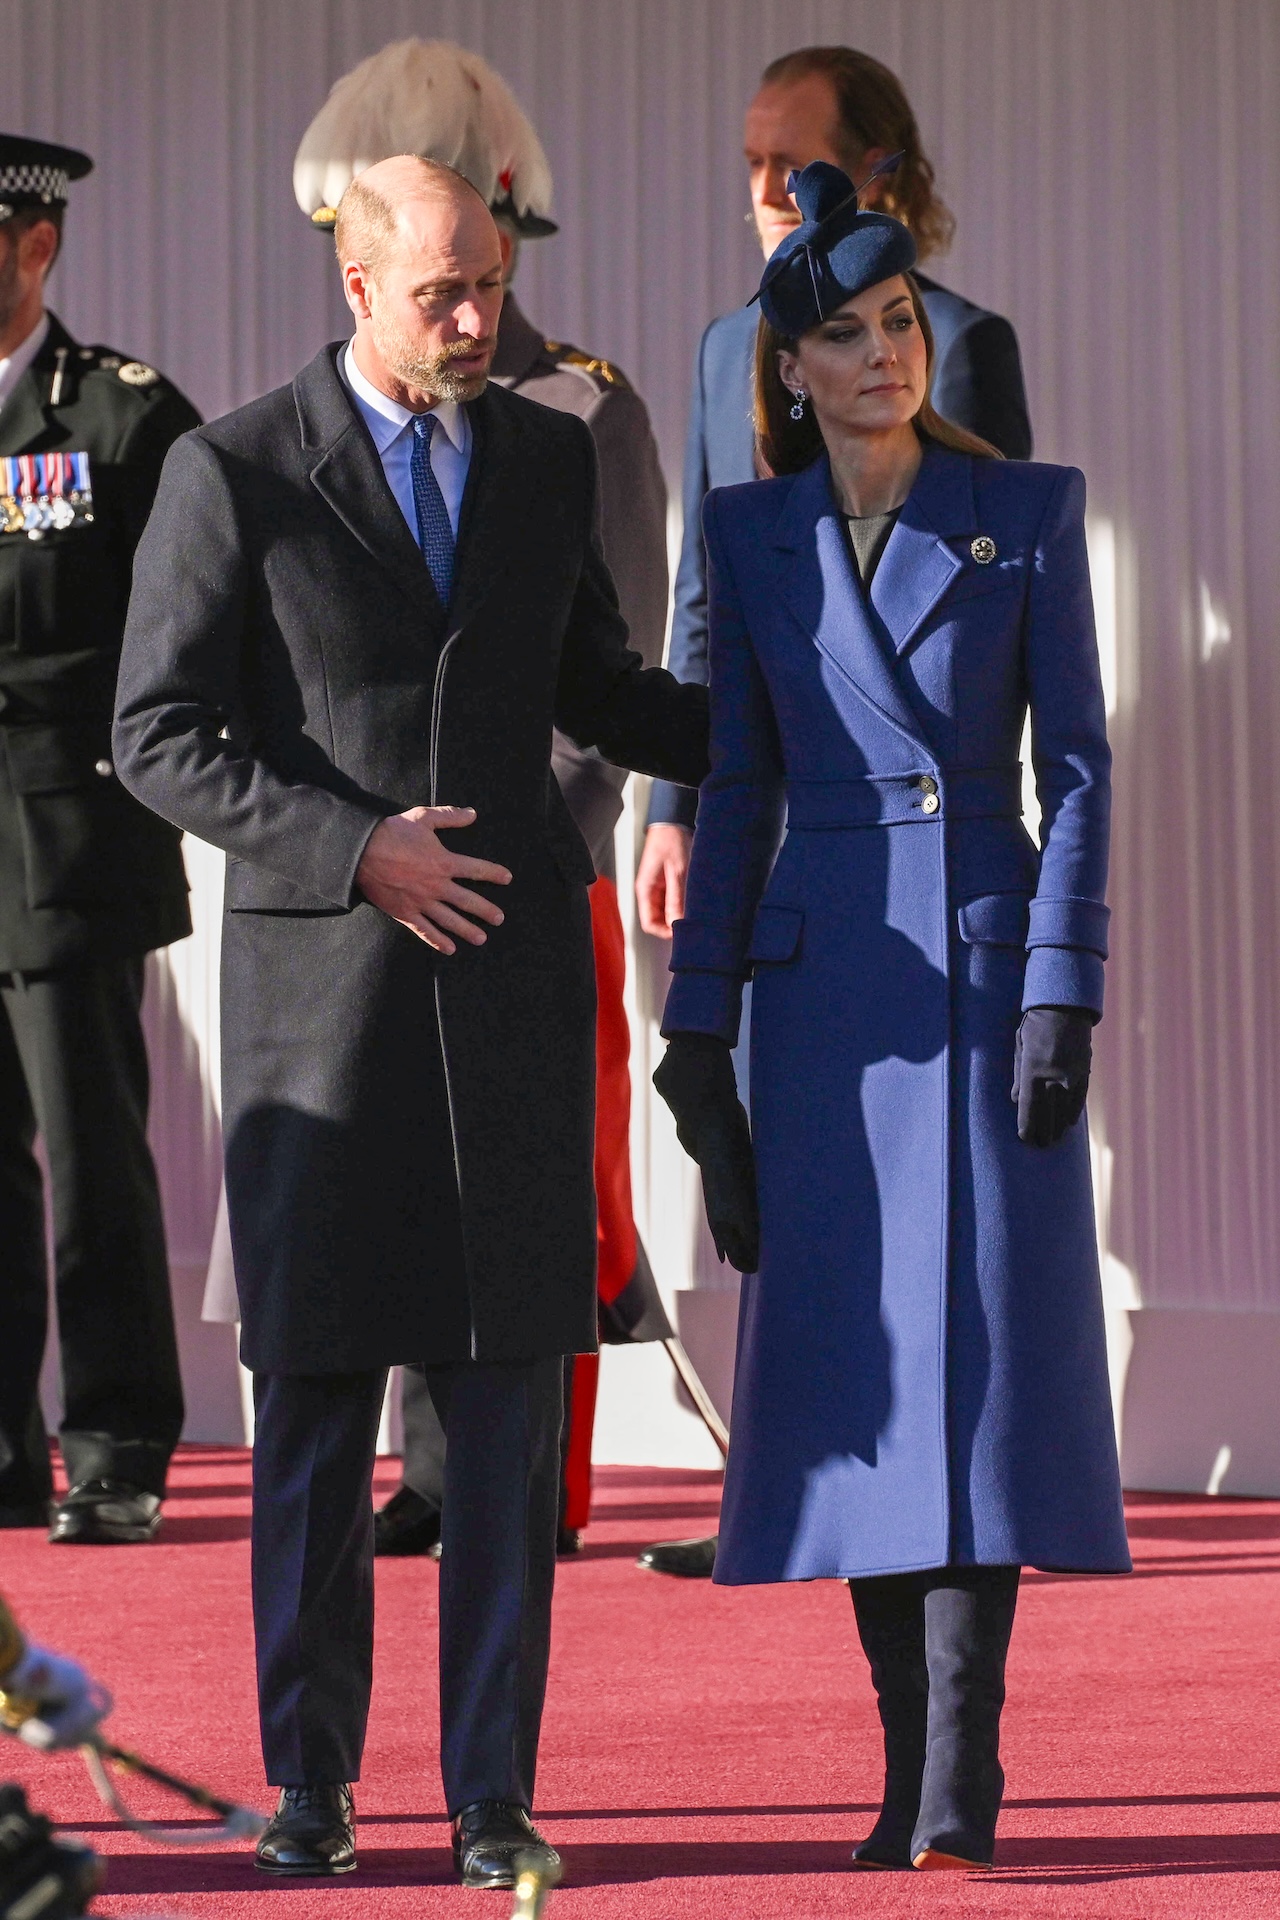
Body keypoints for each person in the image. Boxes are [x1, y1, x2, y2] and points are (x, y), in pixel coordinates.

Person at [113, 156, 707, 1891]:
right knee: (311, 1425)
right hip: (326, 1022)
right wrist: (350, 849)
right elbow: (157, 732)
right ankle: (313, 1791)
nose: (480, 318)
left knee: (507, 1434)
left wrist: (772, 720)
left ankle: (491, 1800)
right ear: (355, 284)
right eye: (445, 290)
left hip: (511, 1006)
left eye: (493, 283)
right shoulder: (230, 471)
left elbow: (593, 685)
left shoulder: (539, 455)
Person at [654, 162, 1130, 1871]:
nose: (882, 355)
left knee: (978, 1386)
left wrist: (1064, 986)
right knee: (861, 1380)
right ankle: (897, 1770)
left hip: (991, 979)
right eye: (844, 335)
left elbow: (1073, 768)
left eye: (903, 322)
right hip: (828, 1007)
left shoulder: (1028, 513)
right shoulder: (750, 533)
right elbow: (734, 782)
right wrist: (696, 1039)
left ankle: (961, 1778)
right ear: (789, 369)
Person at [638, 43, 1036, 1582]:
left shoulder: (963, 339)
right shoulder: (723, 343)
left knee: (929, 1191)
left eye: (785, 156)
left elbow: (982, 581)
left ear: (876, 171)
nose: (756, 186)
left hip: (921, 837)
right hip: (765, 819)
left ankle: (944, 1496)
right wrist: (674, 801)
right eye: (745, 156)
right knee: (783, 1174)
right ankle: (791, 1487)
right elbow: (698, 590)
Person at [290, 39, 676, 1563]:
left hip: (538, 862)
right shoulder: (319, 432)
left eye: (476, 270)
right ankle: (432, 1465)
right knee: (398, 1169)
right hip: (385, 873)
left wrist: (548, 839)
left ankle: (534, 1482)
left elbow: (621, 655)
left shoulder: (580, 413)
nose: (457, 306)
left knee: (549, 1186)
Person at [0, 133, 197, 1547]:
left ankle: (118, 1438)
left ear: (35, 246)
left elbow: (178, 635)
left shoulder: (119, 420)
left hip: (66, 840)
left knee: (92, 1154)